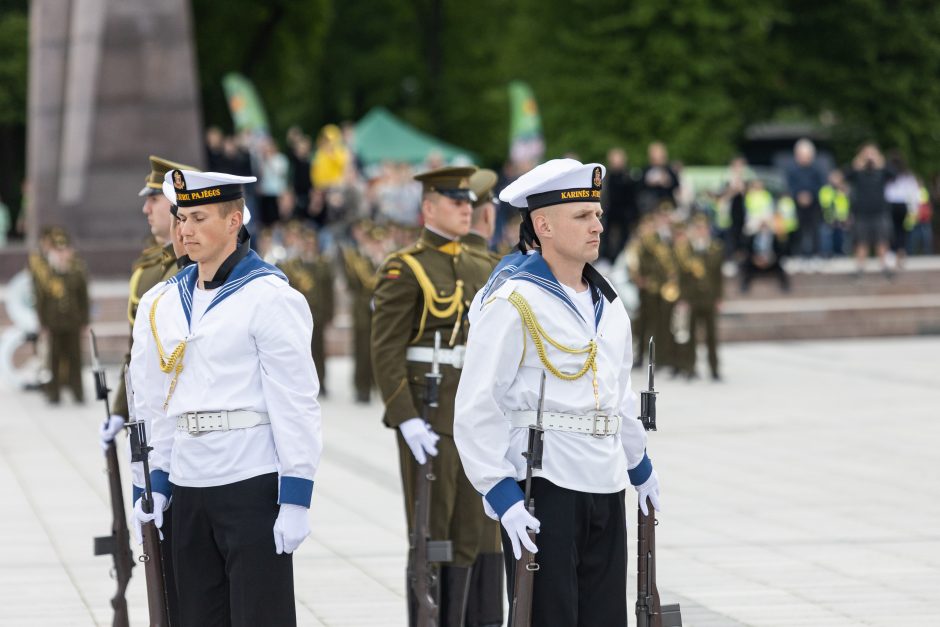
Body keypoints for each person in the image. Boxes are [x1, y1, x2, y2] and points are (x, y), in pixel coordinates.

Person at [453, 158, 661, 625]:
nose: (598, 226)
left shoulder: (609, 303)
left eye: (598, 214)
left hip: (605, 480)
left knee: (605, 616)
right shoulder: (513, 300)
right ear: (543, 225)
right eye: (583, 217)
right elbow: (476, 405)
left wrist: (639, 463)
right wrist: (499, 493)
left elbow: (618, 391)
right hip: (545, 483)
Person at [131, 169, 322, 626]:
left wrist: (296, 494)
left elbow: (296, 402)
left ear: (234, 220)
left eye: (199, 217)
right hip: (187, 481)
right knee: (194, 615)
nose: (185, 230)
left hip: (250, 478)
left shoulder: (270, 296)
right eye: (181, 218)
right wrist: (152, 480)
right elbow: (153, 401)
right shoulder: (162, 301)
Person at [370, 166, 498, 626]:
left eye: (469, 202)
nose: (467, 209)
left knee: (474, 531)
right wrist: (404, 417)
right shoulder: (406, 268)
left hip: (476, 417)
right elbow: (385, 351)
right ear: (428, 208)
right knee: (432, 532)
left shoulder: (483, 266)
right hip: (431, 416)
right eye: (455, 202)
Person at [33, 226, 89, 404]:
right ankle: (53, 393)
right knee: (54, 359)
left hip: (73, 321)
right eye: (58, 250)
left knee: (75, 357)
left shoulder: (77, 271)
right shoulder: (47, 273)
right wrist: (42, 323)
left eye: (65, 249)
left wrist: (85, 321)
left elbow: (83, 298)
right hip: (53, 322)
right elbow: (41, 300)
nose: (62, 254)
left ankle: (77, 392)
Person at [279, 223, 335, 395]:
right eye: (307, 243)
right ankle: (301, 384)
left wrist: (329, 313)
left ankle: (322, 382)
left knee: (319, 351)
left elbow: (329, 292)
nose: (310, 247)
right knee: (300, 351)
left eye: (312, 244)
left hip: (318, 314)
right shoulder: (292, 266)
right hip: (298, 316)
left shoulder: (323, 265)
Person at [677, 215, 724, 380]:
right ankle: (689, 368)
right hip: (692, 298)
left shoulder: (715, 248)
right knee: (690, 335)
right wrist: (682, 298)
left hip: (709, 298)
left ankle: (714, 368)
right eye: (698, 228)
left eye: (703, 228)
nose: (701, 231)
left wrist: (719, 297)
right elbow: (682, 277)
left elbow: (718, 276)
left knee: (711, 336)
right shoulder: (687, 250)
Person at [341, 220, 380, 403]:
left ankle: (374, 385)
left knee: (376, 350)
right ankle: (361, 388)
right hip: (362, 310)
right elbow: (361, 283)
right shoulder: (357, 259)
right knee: (362, 350)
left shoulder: (382, 259)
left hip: (379, 311)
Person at [845, 143, 893, 277]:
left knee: (882, 240)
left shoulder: (882, 170)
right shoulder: (858, 171)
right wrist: (856, 165)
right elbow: (845, 176)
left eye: (872, 153)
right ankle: (860, 268)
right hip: (861, 213)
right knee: (861, 241)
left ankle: (884, 267)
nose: (869, 157)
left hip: (879, 211)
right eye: (866, 153)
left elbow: (893, 175)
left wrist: (881, 163)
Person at [785, 138, 826, 265]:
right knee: (798, 230)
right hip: (797, 204)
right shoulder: (792, 170)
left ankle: (816, 255)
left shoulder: (817, 169)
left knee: (815, 229)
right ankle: (800, 255)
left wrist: (810, 195)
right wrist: (798, 195)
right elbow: (789, 186)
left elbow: (821, 185)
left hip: (814, 203)